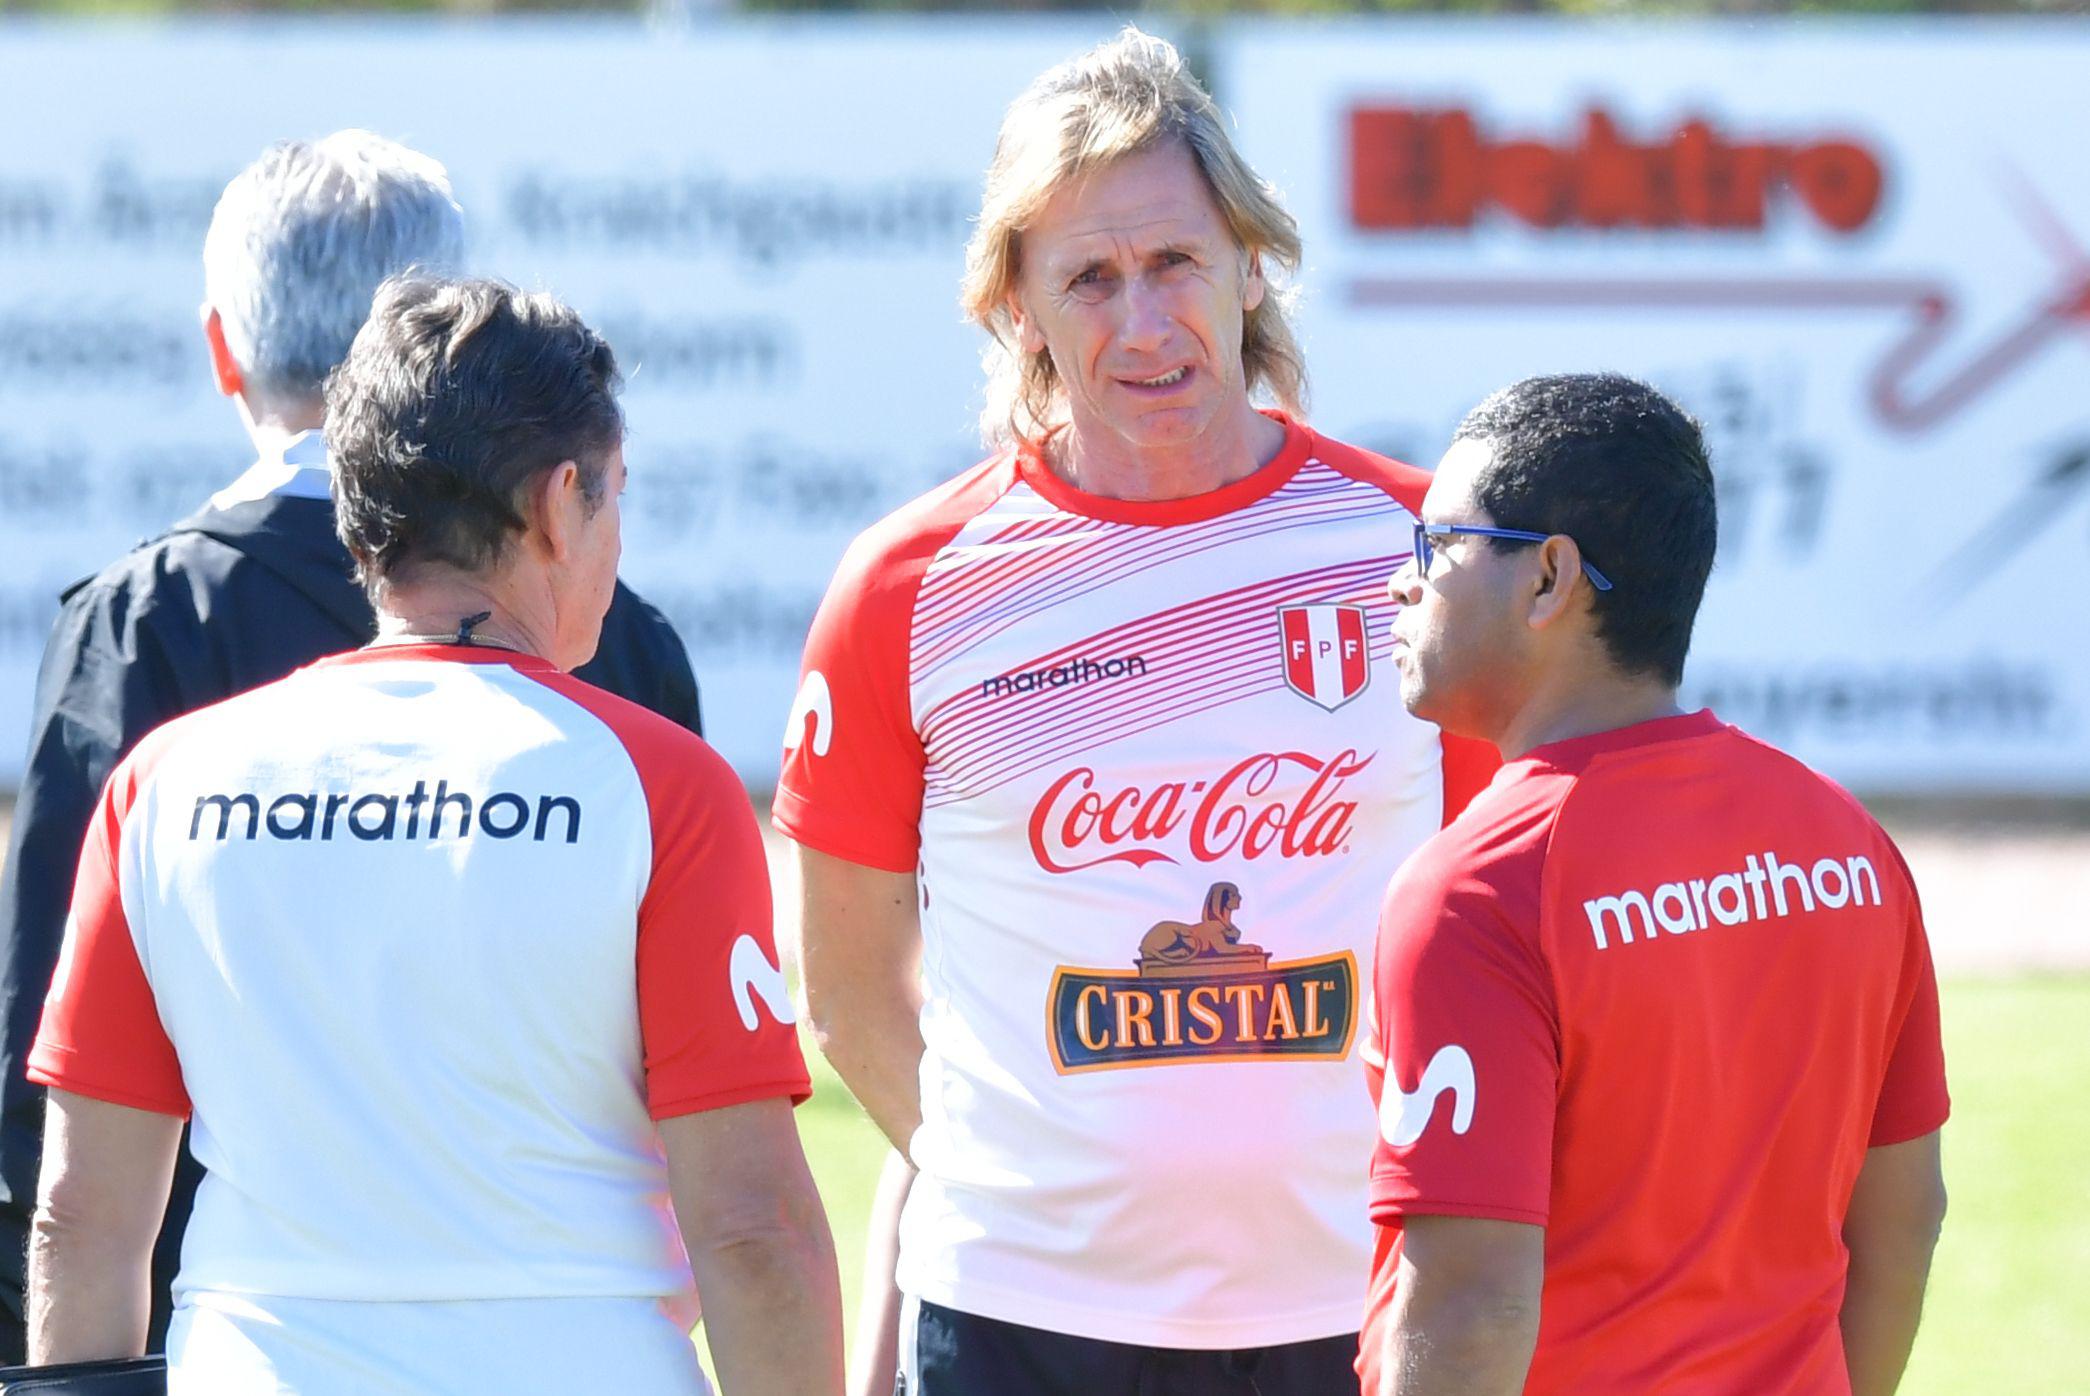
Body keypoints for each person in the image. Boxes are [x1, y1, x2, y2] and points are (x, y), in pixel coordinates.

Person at [775, 29, 1494, 1396]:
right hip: (1014, 1325)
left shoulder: (1418, 551)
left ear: (1248, 263)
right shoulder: (904, 589)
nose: (1143, 321)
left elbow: (1511, 933)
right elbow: (851, 992)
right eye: (1089, 280)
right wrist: (1025, 1205)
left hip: (1358, 1304)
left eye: (1172, 262)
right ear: (1017, 307)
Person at [22, 276, 844, 1394]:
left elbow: (81, 1218)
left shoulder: (164, 783)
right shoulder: (662, 789)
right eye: (613, 499)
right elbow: (753, 1232)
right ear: (562, 503)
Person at [1362, 373, 1950, 1394]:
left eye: (1435, 545)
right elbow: (1902, 1219)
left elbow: (1469, 1308)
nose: (1398, 584)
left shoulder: (1480, 888)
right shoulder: (1845, 842)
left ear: (1548, 578)